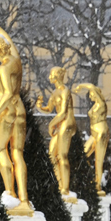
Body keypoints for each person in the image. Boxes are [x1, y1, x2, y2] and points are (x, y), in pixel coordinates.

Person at [0, 20, 33, 215]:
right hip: (20, 110)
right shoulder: (15, 60)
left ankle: (10, 192)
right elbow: (9, 40)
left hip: (6, 111)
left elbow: (8, 93)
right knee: (17, 153)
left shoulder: (2, 69)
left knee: (0, 149)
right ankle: (24, 198)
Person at [36, 67, 77, 198]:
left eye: (51, 74)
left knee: (62, 155)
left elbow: (63, 112)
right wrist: (39, 106)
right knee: (52, 155)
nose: (49, 77)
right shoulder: (54, 92)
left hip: (67, 123)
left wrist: (51, 124)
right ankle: (60, 184)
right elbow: (49, 109)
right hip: (60, 124)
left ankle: (65, 188)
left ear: (57, 76)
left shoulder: (65, 91)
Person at [74, 83, 109, 195]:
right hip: (94, 134)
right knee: (83, 154)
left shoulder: (101, 104)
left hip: (101, 133)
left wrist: (82, 86)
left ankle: (97, 185)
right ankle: (90, 178)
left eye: (91, 94)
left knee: (98, 160)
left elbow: (92, 87)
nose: (90, 96)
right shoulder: (95, 106)